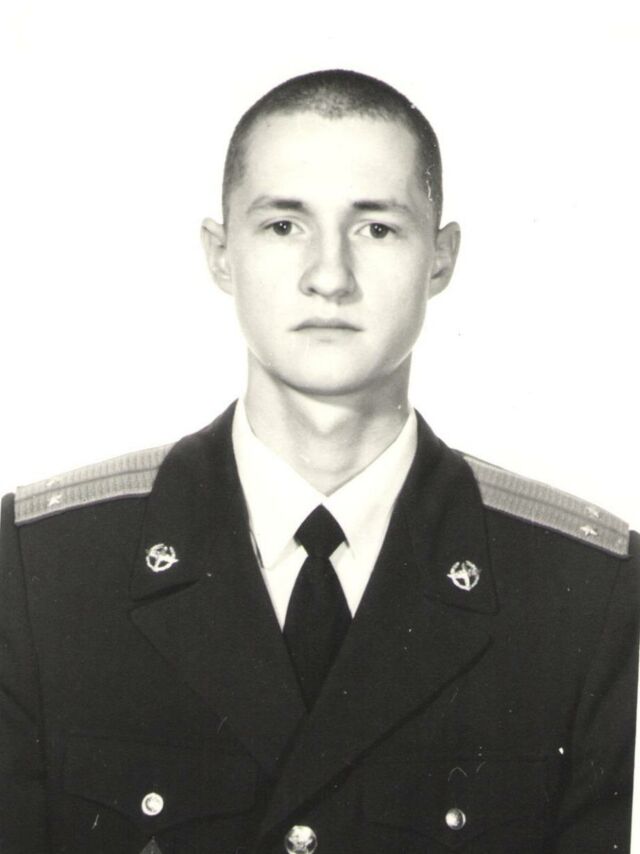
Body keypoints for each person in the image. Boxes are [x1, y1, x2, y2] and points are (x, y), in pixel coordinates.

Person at [0, 69, 637, 854]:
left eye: (377, 229)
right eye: (283, 226)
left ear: (441, 259)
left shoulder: (584, 596)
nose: (329, 276)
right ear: (220, 254)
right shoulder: (42, 571)